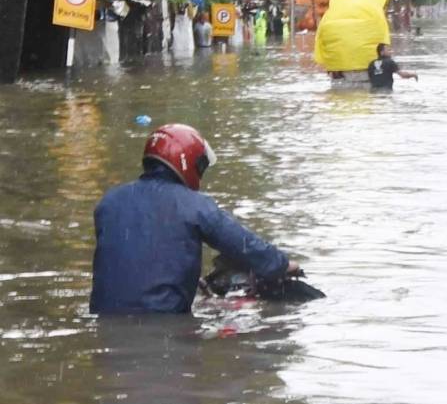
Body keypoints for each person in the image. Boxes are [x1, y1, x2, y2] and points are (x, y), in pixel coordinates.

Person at [90, 124, 298, 314]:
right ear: (188, 163)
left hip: (105, 320)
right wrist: (281, 264)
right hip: (165, 324)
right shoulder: (194, 205)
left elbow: (133, 255)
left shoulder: (109, 203)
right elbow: (242, 243)